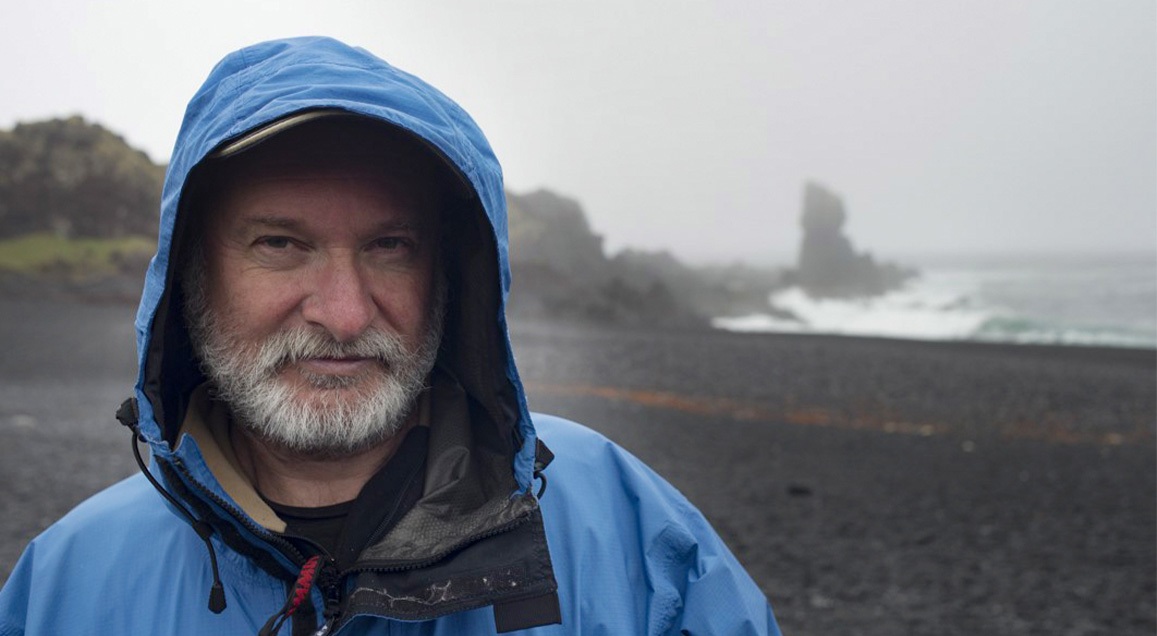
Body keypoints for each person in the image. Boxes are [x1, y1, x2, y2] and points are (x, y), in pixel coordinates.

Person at [0, 36, 780, 635]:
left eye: (390, 247)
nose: (343, 314)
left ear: (449, 276)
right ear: (192, 275)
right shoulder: (66, 586)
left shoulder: (633, 537)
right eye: (280, 244)